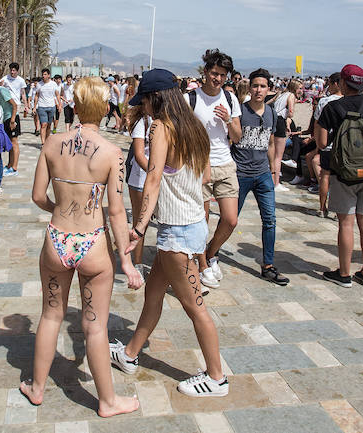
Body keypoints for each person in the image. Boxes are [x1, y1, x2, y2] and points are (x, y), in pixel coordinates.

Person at [20, 75, 143, 417]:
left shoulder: (52, 144)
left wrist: (58, 210)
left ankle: (37, 387)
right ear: (105, 109)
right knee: (95, 327)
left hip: (57, 238)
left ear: (73, 106)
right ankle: (107, 401)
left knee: (50, 315)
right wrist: (127, 261)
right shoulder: (111, 153)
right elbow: (117, 212)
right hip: (92, 243)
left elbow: (36, 196)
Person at [110, 68, 229, 398]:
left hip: (178, 231)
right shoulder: (193, 126)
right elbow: (204, 176)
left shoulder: (161, 127)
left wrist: (138, 226)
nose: (143, 108)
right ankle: (130, 354)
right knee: (154, 292)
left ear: (155, 99)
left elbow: (153, 177)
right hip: (190, 224)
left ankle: (217, 377)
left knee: (195, 308)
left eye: (144, 102)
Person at [317, 64, 363, 288]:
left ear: (341, 83)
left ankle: (345, 273)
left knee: (346, 223)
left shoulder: (332, 108)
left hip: (343, 172)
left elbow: (321, 142)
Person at [188, 49, 242, 290]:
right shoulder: (190, 98)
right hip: (199, 164)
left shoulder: (230, 99)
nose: (217, 78)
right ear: (205, 72)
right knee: (203, 220)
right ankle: (201, 265)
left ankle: (210, 253)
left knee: (230, 220)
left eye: (222, 75)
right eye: (213, 73)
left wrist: (229, 120)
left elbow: (238, 137)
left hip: (226, 163)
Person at [232, 68, 290, 285]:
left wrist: (275, 172)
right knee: (230, 220)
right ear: (250, 87)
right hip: (240, 174)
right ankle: (211, 254)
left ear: (269, 89)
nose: (258, 90)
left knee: (270, 220)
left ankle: (268, 265)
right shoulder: (239, 111)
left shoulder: (271, 113)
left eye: (262, 86)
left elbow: (271, 143)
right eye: (255, 85)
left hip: (263, 174)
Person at [311, 72, 343, 218]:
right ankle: (338, 210)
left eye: (329, 83)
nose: (328, 87)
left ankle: (323, 208)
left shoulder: (324, 102)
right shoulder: (348, 101)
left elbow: (317, 124)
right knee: (339, 178)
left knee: (325, 175)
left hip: (327, 144)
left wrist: (318, 142)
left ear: (336, 83)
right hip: (343, 146)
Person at [126, 105, 153, 268]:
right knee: (140, 221)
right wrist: (157, 173)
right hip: (141, 177)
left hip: (162, 177)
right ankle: (137, 263)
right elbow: (139, 154)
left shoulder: (170, 118)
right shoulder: (142, 121)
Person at [1, 63, 28, 175]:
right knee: (9, 140)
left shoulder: (21, 81)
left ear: (17, 71)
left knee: (14, 140)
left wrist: (26, 105)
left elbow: (23, 94)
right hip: (6, 111)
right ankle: (9, 164)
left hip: (14, 110)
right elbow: (0, 88)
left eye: (14, 71)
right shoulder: (5, 79)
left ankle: (15, 167)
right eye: (11, 70)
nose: (12, 72)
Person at [272, 80, 298, 191]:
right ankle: (276, 183)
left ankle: (272, 179)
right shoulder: (291, 95)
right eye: (300, 88)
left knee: (272, 154)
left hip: (273, 120)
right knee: (278, 156)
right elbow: (291, 111)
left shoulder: (281, 94)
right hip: (280, 121)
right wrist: (289, 116)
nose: (301, 91)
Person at [33, 68, 60, 147]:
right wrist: (34, 107)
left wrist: (59, 105)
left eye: (45, 74)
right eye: (43, 74)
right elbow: (37, 95)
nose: (43, 76)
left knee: (49, 125)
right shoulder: (39, 84)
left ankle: (47, 141)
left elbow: (57, 94)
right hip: (42, 107)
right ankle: (43, 143)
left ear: (49, 75)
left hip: (51, 106)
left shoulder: (53, 84)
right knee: (43, 124)